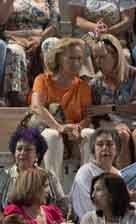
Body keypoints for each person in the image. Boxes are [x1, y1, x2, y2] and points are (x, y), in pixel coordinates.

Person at [88, 35, 136, 179]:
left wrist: (110, 108)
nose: (98, 62)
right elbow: (96, 115)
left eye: (102, 57)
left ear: (115, 55)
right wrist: (112, 121)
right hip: (112, 123)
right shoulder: (95, 84)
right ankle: (127, 185)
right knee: (121, 134)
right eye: (95, 57)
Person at [30, 38, 92, 180]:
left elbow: (87, 117)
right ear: (58, 58)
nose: (76, 63)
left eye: (79, 58)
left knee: (90, 134)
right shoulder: (42, 80)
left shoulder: (83, 86)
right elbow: (36, 107)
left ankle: (86, 188)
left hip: (73, 135)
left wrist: (77, 128)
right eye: (71, 58)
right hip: (50, 131)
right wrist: (59, 127)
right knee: (52, 135)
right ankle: (54, 190)